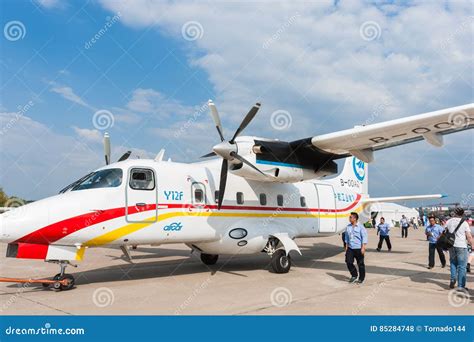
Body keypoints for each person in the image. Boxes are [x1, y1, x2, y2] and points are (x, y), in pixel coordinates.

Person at [446, 207, 473, 290]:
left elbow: (445, 232)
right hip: (461, 245)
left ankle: (452, 279)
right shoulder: (464, 223)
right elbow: (468, 236)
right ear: (462, 214)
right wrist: (472, 245)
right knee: (462, 266)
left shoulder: (448, 221)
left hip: (451, 245)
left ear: (454, 213)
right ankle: (461, 286)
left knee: (453, 263)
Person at [344, 212, 368, 284]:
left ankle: (361, 278)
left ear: (355, 218)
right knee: (348, 262)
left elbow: (364, 237)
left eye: (350, 217)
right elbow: (346, 237)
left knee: (360, 264)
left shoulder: (361, 227)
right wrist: (346, 247)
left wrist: (363, 247)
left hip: (358, 248)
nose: (349, 218)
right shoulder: (348, 227)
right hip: (350, 248)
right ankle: (354, 275)